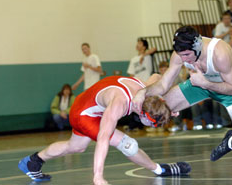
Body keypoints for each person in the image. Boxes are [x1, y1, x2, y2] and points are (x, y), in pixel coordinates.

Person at [18, 75, 191, 184]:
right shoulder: (119, 104)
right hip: (83, 113)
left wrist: (167, 106)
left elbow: (158, 76)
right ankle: (159, 169)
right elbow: (103, 139)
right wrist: (98, 176)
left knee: (76, 146)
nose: (155, 129)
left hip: (88, 103)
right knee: (127, 144)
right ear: (144, 115)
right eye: (153, 124)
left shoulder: (147, 90)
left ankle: (33, 161)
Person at [133, 26, 232, 162]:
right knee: (151, 114)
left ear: (198, 46)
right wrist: (143, 92)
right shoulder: (180, 54)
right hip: (197, 85)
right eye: (181, 55)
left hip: (228, 89)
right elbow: (164, 84)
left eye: (187, 55)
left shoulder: (219, 52)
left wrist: (205, 83)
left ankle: (230, 141)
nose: (184, 59)